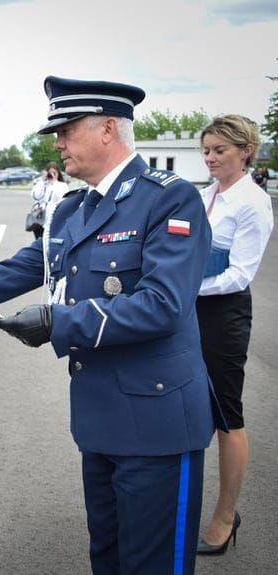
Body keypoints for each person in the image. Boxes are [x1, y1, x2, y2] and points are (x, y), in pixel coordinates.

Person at [0, 76, 222, 575]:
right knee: (107, 557)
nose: (57, 143)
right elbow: (18, 268)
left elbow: (162, 306)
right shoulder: (72, 208)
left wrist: (55, 320)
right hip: (100, 419)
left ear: (108, 129)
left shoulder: (169, 199)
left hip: (157, 424)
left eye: (66, 130)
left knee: (152, 565)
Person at [195, 115, 274, 556]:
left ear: (245, 151)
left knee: (227, 414)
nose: (210, 158)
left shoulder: (252, 202)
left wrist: (187, 288)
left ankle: (226, 516)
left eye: (219, 150)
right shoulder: (204, 194)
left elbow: (239, 274)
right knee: (188, 405)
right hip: (189, 310)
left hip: (223, 314)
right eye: (206, 150)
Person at [29, 161, 68, 239]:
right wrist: (42, 181)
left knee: (50, 241)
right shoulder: (42, 184)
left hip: (53, 219)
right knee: (39, 241)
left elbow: (62, 198)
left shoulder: (62, 185)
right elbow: (35, 196)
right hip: (39, 219)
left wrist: (54, 182)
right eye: (50, 172)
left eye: (54, 173)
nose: (52, 174)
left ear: (58, 173)